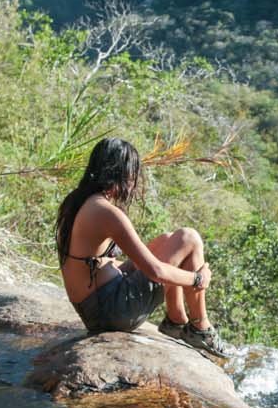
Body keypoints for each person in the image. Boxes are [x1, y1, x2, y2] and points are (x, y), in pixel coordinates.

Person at [56, 138, 233, 360]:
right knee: (189, 238)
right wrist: (198, 279)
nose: (133, 182)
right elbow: (155, 272)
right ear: (122, 174)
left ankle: (177, 321)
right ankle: (200, 328)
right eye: (132, 175)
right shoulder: (106, 212)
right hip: (110, 311)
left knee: (167, 239)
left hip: (95, 305)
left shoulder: (77, 202)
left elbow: (89, 262)